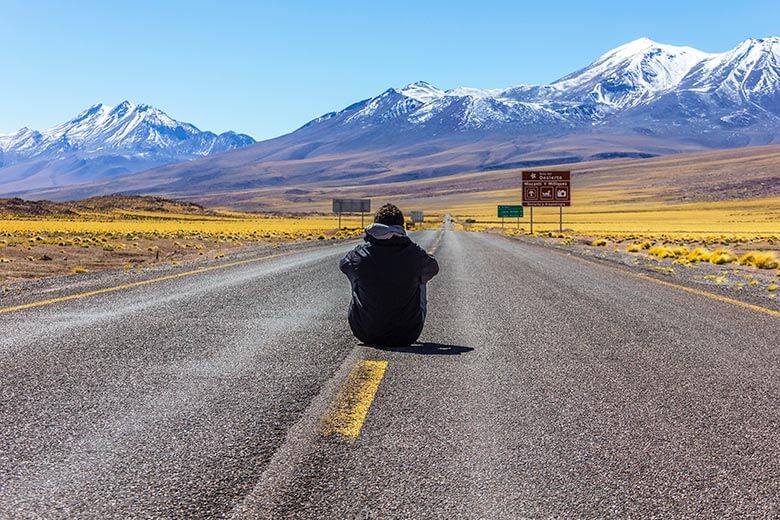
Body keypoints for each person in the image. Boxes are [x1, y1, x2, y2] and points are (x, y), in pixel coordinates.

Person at [339, 203, 439, 347]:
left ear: (375, 225)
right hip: (407, 335)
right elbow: (433, 268)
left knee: (355, 274)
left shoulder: (358, 254)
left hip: (365, 333)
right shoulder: (415, 254)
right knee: (421, 276)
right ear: (401, 226)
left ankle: (369, 317)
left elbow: (343, 265)